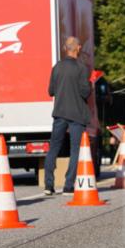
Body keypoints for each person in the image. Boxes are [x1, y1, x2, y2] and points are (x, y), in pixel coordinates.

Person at [43, 36, 92, 196]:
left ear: (65, 48)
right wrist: (90, 84)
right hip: (77, 114)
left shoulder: (56, 67)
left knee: (54, 148)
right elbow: (85, 91)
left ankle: (48, 185)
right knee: (75, 150)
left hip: (59, 113)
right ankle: (68, 185)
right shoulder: (81, 68)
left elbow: (51, 91)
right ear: (77, 48)